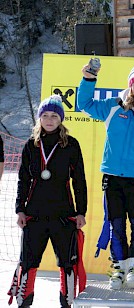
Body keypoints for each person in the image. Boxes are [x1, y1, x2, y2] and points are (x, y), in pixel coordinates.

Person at [77, 63, 134, 290]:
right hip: (113, 177)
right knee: (116, 224)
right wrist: (88, 79)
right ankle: (118, 267)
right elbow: (83, 104)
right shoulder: (113, 107)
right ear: (130, 85)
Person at [7, 95, 87, 308]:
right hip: (35, 214)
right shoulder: (31, 145)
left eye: (54, 116)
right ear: (39, 118)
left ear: (61, 119)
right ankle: (24, 302)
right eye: (45, 115)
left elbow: (79, 180)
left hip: (64, 215)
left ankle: (67, 303)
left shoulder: (71, 145)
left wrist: (81, 212)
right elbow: (23, 179)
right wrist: (20, 209)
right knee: (28, 263)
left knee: (67, 264)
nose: (49, 120)